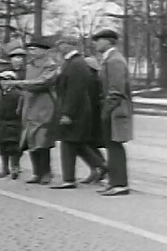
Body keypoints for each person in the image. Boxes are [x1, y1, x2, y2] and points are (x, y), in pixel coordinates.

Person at [48, 38, 108, 189]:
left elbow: (75, 91)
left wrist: (67, 113)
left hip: (76, 112)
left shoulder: (76, 64)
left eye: (63, 43)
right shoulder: (71, 63)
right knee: (76, 143)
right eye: (60, 44)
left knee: (69, 143)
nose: (60, 46)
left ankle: (69, 179)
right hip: (75, 110)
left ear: (72, 46)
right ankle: (102, 166)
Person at [4, 36, 58, 185]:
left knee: (42, 141)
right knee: (30, 140)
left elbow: (43, 82)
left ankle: (46, 173)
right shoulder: (30, 65)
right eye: (30, 49)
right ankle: (37, 172)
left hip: (44, 106)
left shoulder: (50, 65)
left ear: (43, 50)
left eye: (34, 49)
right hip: (30, 105)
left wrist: (18, 83)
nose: (31, 52)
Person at [92, 29, 133, 196]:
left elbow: (116, 90)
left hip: (115, 110)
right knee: (111, 146)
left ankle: (120, 184)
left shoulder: (114, 60)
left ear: (108, 41)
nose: (95, 43)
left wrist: (106, 111)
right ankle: (114, 182)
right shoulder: (108, 59)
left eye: (98, 40)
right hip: (113, 109)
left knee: (115, 146)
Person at [79, 56, 108, 184]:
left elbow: (88, 99)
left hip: (89, 116)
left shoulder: (89, 80)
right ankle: (98, 169)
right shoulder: (97, 79)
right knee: (90, 144)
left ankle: (100, 166)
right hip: (95, 115)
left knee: (82, 143)